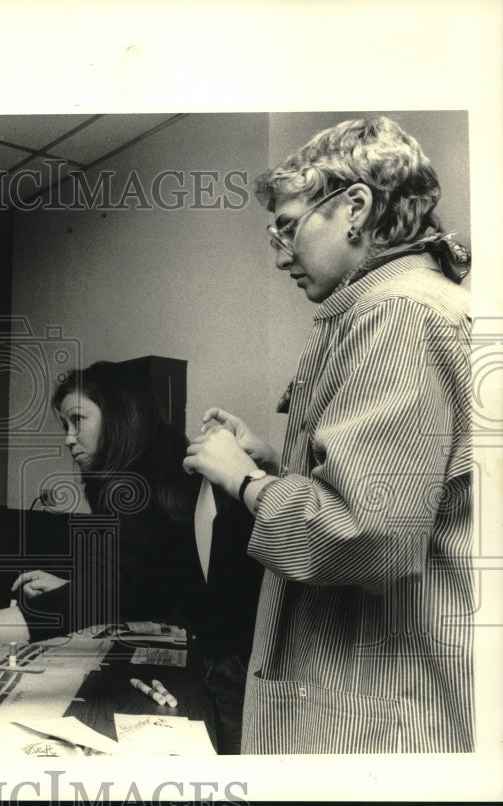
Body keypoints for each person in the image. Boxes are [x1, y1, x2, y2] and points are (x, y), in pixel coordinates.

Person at [182, 115, 473, 754]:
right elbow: (388, 503)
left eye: (287, 226)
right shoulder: (403, 305)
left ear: (355, 208)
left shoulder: (395, 315)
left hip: (373, 719)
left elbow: (370, 539)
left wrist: (245, 479)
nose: (280, 252)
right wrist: (278, 469)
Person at [0, 362, 263, 752]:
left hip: (233, 661)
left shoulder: (137, 480)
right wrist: (72, 588)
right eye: (65, 425)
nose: (68, 439)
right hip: (229, 652)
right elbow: (145, 584)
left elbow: (105, 591)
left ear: (118, 415)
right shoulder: (159, 463)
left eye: (78, 420)